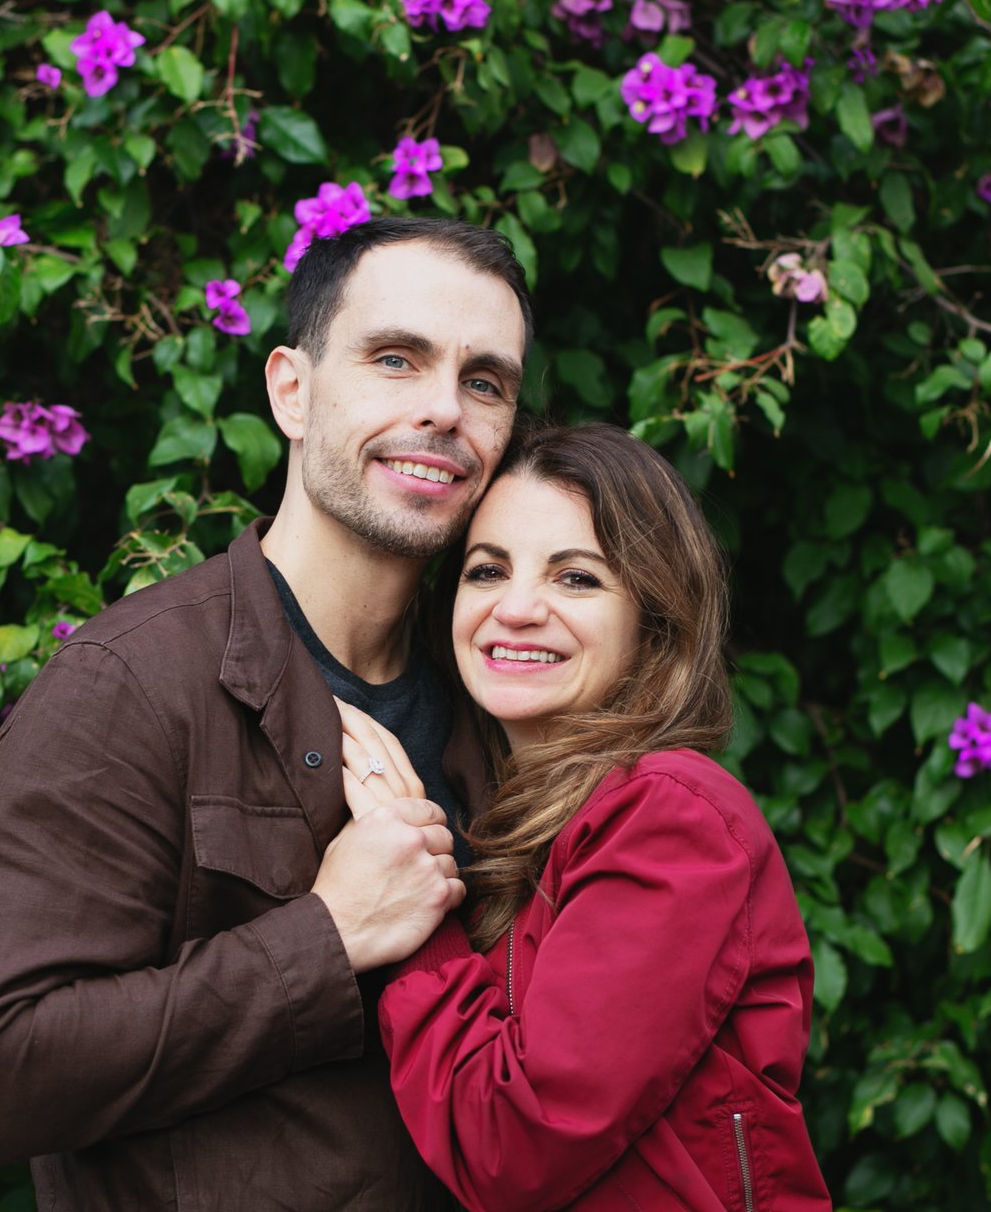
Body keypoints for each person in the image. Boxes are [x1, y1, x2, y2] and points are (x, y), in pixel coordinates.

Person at [0, 217, 532, 1209]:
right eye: (395, 358)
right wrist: (327, 937)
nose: (443, 408)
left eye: (486, 382)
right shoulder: (131, 683)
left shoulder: (505, 699)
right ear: (291, 390)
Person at [336, 423, 833, 1211]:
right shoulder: (522, 819)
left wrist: (411, 906)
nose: (517, 608)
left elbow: (515, 1146)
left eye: (576, 578)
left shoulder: (669, 819)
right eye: (487, 569)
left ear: (653, 620)